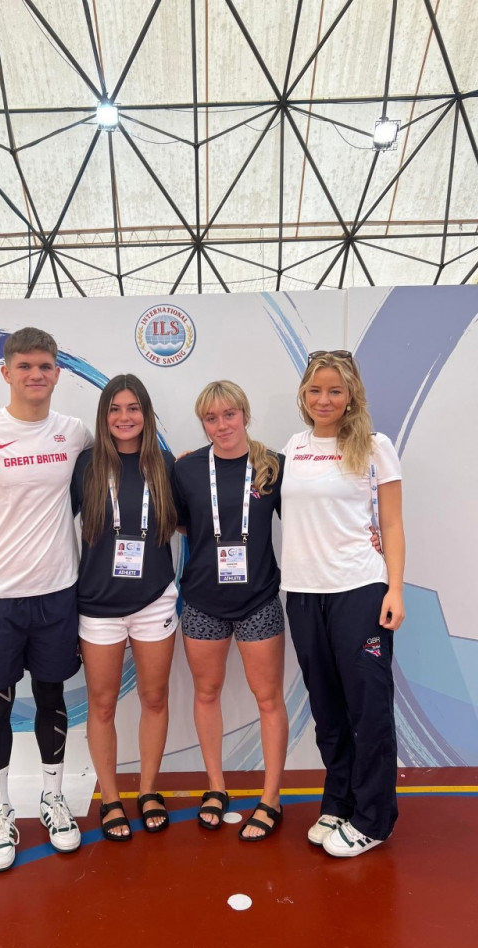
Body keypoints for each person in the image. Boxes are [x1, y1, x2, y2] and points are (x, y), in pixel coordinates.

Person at [0, 327, 92, 871]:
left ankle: (53, 799)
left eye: (45, 366)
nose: (36, 375)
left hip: (55, 594)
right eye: (25, 365)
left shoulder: (74, 433)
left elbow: (123, 462)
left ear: (57, 373)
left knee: (52, 698)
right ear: (6, 372)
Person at [280, 350, 405, 858]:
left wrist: (395, 587)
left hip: (359, 589)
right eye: (315, 390)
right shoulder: (293, 445)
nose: (324, 399)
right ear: (303, 396)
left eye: (334, 390)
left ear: (350, 394)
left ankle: (374, 818)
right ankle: (340, 798)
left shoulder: (375, 447)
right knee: (328, 708)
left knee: (368, 708)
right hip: (304, 592)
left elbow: (393, 523)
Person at [172, 381, 288, 841]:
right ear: (203, 423)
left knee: (268, 699)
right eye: (211, 418)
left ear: (245, 414)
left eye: (229, 415)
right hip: (202, 602)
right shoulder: (187, 469)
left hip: (259, 599)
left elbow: (305, 520)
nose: (222, 426)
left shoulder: (271, 465)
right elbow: (181, 522)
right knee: (206, 694)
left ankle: (271, 797)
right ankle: (216, 787)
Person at [71, 374, 179, 841]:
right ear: (104, 416)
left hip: (154, 600)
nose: (124, 418)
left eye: (133, 408)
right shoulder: (86, 466)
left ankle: (148, 790)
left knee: (154, 699)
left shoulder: (165, 464)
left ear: (146, 413)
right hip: (97, 605)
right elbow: (40, 515)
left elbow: (200, 518)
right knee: (102, 704)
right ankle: (110, 797)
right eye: (115, 409)